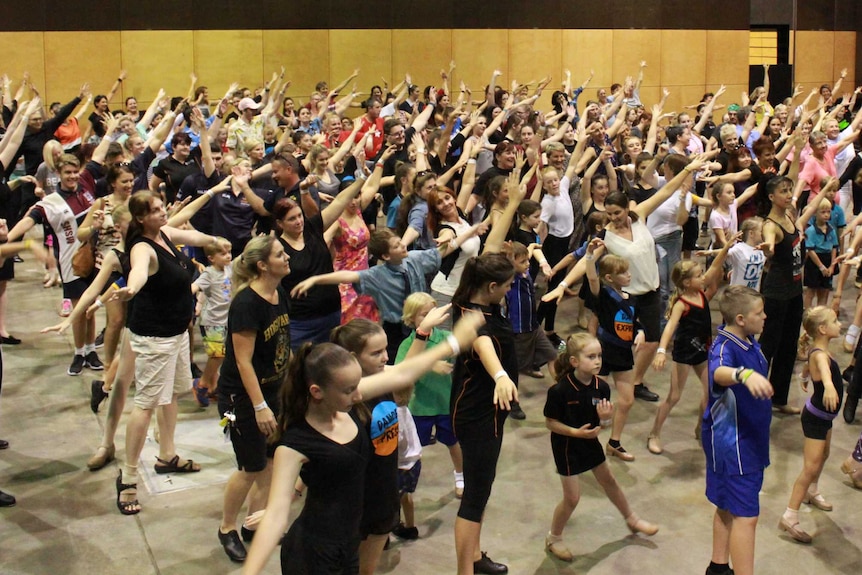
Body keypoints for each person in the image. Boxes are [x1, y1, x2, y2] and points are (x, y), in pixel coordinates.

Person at [239, 313, 483, 575]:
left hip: (350, 542)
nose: (359, 394)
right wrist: (249, 571)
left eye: (358, 386)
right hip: (314, 554)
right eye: (349, 390)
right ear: (316, 392)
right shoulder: (296, 441)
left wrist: (454, 342)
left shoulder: (346, 399)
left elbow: (403, 373)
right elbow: (277, 515)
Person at [544, 155, 710, 404]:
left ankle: (636, 381)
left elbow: (666, 191)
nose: (613, 218)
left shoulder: (640, 214)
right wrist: (562, 285)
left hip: (651, 291)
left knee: (652, 341)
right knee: (613, 348)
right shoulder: (606, 235)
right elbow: (583, 260)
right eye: (609, 214)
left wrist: (688, 169)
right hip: (626, 298)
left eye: (617, 213)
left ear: (626, 209)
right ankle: (590, 389)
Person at [111, 190, 223, 515]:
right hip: (154, 338)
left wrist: (217, 240)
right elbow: (139, 270)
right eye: (157, 210)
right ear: (141, 218)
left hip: (176, 334)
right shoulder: (143, 247)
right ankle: (128, 479)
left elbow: (194, 235)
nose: (163, 212)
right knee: (145, 404)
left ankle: (167, 455)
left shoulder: (163, 233)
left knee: (172, 395)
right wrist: (132, 287)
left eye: (163, 207)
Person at [543, 332, 658, 562]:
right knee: (572, 498)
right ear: (574, 361)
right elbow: (550, 423)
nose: (597, 361)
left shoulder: (602, 388)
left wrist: (606, 420)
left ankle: (631, 519)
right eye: (591, 356)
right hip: (566, 446)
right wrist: (575, 432)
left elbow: (601, 426)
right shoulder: (560, 391)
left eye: (599, 356)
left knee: (610, 481)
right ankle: (554, 537)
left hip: (589, 442)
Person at [217, 235, 292, 562]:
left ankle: (254, 521)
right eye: (280, 253)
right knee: (250, 466)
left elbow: (281, 348)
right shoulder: (247, 304)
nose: (287, 256)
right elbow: (243, 360)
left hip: (273, 392)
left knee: (272, 462)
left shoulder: (280, 294)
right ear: (263, 264)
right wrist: (260, 406)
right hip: (242, 400)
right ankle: (227, 527)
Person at [702, 285, 774, 575]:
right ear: (741, 318)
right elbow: (718, 372)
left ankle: (718, 568)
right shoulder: (724, 348)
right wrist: (742, 375)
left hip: (749, 440)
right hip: (735, 445)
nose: (765, 316)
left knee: (726, 505)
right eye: (760, 313)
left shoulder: (749, 339)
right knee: (746, 517)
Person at [648, 235, 738, 454]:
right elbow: (669, 327)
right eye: (698, 276)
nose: (703, 278)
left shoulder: (699, 293)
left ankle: (701, 428)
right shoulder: (682, 303)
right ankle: (655, 433)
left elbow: (715, 268)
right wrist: (661, 350)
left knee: (710, 393)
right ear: (687, 282)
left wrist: (725, 247)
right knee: (675, 396)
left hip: (703, 351)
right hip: (684, 353)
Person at [778, 306, 843, 544]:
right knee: (810, 467)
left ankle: (812, 492)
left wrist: (805, 376)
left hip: (824, 418)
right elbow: (824, 370)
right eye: (835, 321)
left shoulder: (819, 349)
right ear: (823, 329)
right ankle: (789, 515)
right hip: (816, 419)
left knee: (823, 456)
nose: (840, 325)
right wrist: (827, 385)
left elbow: (811, 364)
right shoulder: (820, 355)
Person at [396, 292, 465, 499]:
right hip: (420, 407)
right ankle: (406, 479)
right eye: (423, 315)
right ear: (411, 319)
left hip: (445, 404)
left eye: (431, 313)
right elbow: (401, 372)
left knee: (454, 442)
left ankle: (460, 475)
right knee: (413, 448)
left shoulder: (444, 338)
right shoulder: (408, 346)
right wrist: (430, 365)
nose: (428, 319)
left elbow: (461, 349)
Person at [582, 240, 643, 461]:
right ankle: (586, 438)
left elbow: (635, 322)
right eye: (623, 273)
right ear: (609, 278)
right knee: (593, 398)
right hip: (604, 351)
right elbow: (591, 278)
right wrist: (590, 256)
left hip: (624, 354)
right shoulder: (604, 295)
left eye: (628, 272)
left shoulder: (632, 298)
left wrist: (641, 332)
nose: (628, 276)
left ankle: (614, 442)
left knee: (627, 400)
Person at [191, 237, 233, 405]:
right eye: (223, 254)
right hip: (212, 322)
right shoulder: (209, 273)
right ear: (211, 258)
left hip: (226, 320)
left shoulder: (230, 269)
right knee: (217, 355)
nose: (228, 256)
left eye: (229, 252)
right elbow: (195, 286)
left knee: (222, 354)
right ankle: (201, 384)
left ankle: (214, 387)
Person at [802, 197, 839, 309]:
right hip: (815, 262)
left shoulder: (831, 229)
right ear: (815, 213)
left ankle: (821, 312)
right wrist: (821, 267)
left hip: (828, 259)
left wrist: (832, 265)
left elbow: (834, 247)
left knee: (825, 289)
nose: (826, 215)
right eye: (823, 212)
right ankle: (808, 312)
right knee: (811, 290)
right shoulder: (811, 231)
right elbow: (811, 250)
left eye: (828, 212)